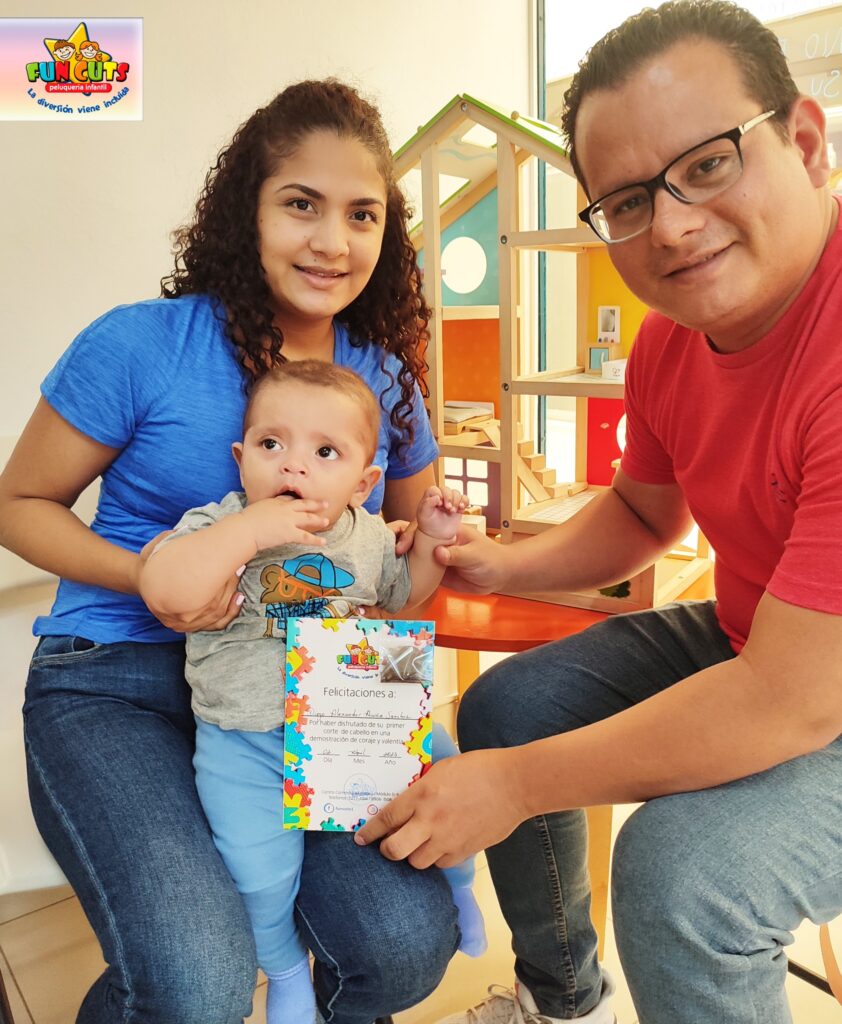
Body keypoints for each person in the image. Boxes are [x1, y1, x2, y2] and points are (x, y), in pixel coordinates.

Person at [354, 3, 842, 1023]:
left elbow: (790, 701)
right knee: (502, 707)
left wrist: (515, 787)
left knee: (679, 875)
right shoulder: (669, 342)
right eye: (625, 199)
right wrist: (491, 562)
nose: (667, 224)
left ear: (802, 142)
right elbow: (638, 510)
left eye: (707, 163)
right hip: (763, 638)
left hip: (802, 678)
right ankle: (560, 995)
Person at [0, 79, 461, 1024]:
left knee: (407, 944)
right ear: (246, 209)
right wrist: (146, 576)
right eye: (302, 204)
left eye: (362, 215)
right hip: (114, 679)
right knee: (194, 979)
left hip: (309, 697)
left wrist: (445, 554)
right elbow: (17, 502)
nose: (333, 242)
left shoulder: (389, 381)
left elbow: (399, 564)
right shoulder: (141, 344)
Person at [139, 360, 485, 1024]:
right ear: (241, 459)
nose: (293, 468)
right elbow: (169, 592)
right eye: (272, 446)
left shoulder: (366, 532)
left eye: (324, 452)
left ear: (365, 480)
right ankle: (288, 972)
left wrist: (431, 543)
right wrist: (249, 532)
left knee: (451, 777)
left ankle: (462, 886)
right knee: (259, 871)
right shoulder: (214, 525)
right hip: (245, 742)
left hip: (351, 723)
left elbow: (402, 595)